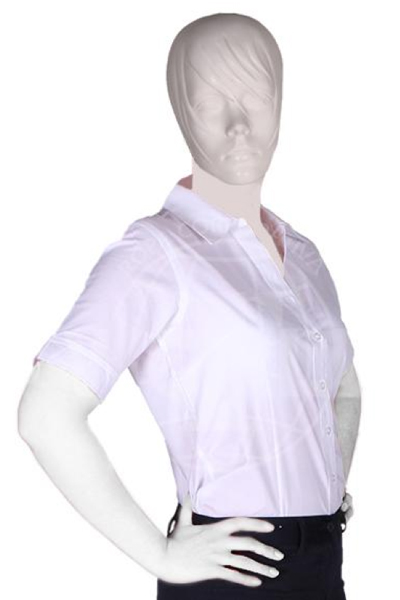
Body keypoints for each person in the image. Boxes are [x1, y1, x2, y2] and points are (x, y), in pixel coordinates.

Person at [18, 12, 361, 599]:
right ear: (181, 112)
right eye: (210, 103)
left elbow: (344, 388)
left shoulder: (303, 254)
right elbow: (45, 413)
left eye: (257, 97)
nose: (238, 123)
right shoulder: (156, 253)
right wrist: (160, 555)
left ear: (280, 105)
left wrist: (327, 480)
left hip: (325, 559)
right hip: (230, 569)